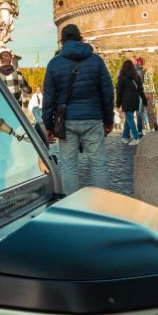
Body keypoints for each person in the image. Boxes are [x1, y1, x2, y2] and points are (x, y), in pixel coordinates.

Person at [41, 24, 114, 193]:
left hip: (66, 121)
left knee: (68, 166)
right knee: (98, 165)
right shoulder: (96, 61)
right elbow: (107, 93)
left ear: (62, 41)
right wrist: (108, 120)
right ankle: (103, 204)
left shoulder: (54, 64)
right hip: (93, 118)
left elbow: (49, 97)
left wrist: (49, 125)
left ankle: (71, 205)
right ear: (81, 38)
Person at [116, 59, 144, 146]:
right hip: (135, 100)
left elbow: (119, 91)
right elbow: (140, 90)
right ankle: (125, 137)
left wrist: (118, 103)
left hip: (127, 100)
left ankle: (136, 138)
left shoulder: (122, 77)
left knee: (129, 118)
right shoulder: (137, 77)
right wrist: (144, 100)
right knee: (128, 118)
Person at [134, 57, 158, 134]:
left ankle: (152, 127)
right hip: (141, 94)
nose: (138, 65)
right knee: (140, 112)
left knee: (150, 111)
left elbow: (151, 83)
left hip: (147, 94)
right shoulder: (135, 72)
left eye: (138, 63)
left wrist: (151, 94)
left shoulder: (148, 72)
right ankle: (141, 129)